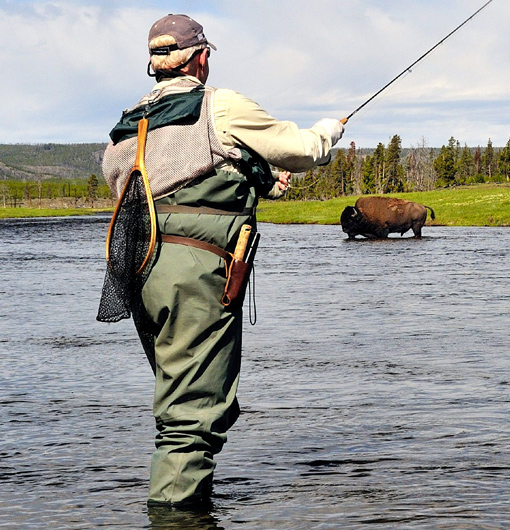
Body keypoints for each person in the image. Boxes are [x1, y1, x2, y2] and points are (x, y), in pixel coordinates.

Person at [100, 13, 344, 508]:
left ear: (155, 65)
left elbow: (173, 184)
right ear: (202, 58)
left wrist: (258, 179)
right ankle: (175, 517)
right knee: (191, 415)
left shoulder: (126, 125)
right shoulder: (220, 105)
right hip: (197, 274)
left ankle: (188, 503)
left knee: (180, 398)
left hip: (138, 273)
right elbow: (301, 149)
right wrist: (328, 131)